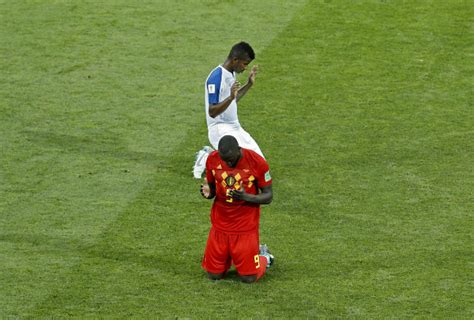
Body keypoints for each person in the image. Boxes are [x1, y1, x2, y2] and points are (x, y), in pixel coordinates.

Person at [199, 135, 274, 283]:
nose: (228, 162)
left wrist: (245, 197)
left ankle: (264, 256)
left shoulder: (257, 162)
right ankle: (232, 256)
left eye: (231, 159)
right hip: (220, 224)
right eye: (225, 159)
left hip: (245, 226)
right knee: (214, 275)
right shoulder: (212, 160)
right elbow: (212, 189)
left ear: (239, 150)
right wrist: (208, 194)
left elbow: (268, 196)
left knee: (249, 278)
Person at [193, 41, 264, 179]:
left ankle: (211, 155)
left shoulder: (231, 74)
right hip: (219, 129)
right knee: (246, 169)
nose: (245, 68)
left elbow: (232, 101)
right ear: (235, 60)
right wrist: (231, 97)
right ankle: (206, 158)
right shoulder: (216, 77)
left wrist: (248, 85)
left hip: (235, 127)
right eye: (244, 64)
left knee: (260, 164)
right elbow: (212, 112)